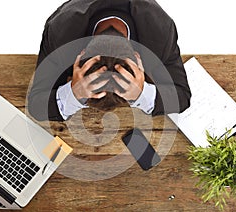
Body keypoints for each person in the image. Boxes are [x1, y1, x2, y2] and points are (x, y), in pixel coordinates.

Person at [28, 0, 191, 121]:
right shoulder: (59, 32)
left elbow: (183, 96)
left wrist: (142, 94)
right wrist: (74, 93)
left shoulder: (162, 33)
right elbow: (36, 105)